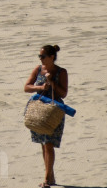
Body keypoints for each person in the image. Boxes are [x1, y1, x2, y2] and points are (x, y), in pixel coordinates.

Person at [24, 44, 69, 188]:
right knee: (43, 144)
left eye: (43, 56)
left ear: (52, 57)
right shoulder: (38, 70)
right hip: (38, 110)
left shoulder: (61, 72)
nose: (41, 59)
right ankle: (50, 175)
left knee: (49, 144)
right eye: (39, 56)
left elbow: (63, 93)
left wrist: (52, 83)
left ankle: (46, 180)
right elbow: (26, 87)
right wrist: (40, 87)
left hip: (54, 111)